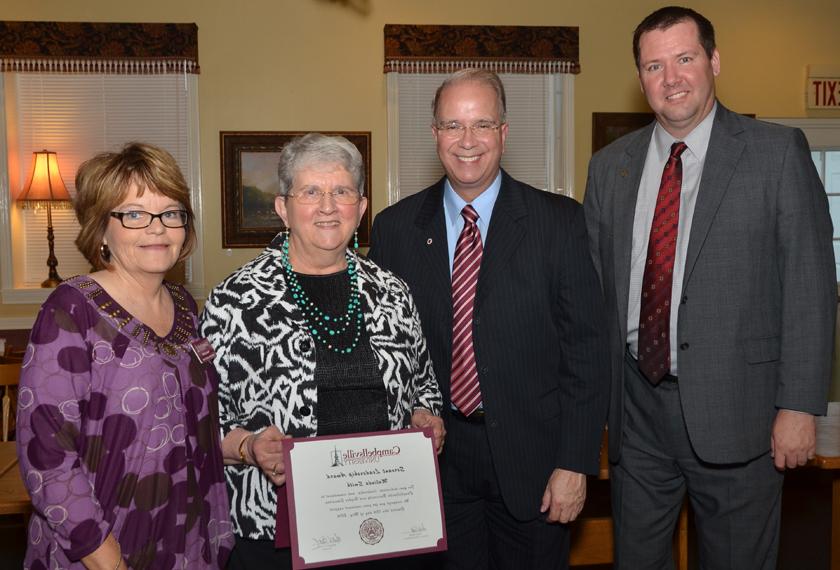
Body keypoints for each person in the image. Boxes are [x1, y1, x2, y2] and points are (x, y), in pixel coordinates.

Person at [583, 6, 836, 569]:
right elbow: (595, 292)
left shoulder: (775, 153)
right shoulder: (609, 168)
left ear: (714, 61)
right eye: (653, 66)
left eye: (684, 59)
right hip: (635, 416)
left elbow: (811, 288)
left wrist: (798, 406)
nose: (670, 78)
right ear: (640, 78)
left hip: (740, 416)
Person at [368, 69, 610, 569]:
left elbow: (587, 353)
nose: (467, 140)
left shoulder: (560, 222)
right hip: (435, 464)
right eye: (452, 125)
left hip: (535, 464)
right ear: (434, 134)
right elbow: (385, 352)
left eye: (482, 124)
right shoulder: (394, 230)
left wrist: (575, 463)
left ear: (504, 131)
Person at [199, 133, 444, 568]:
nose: (327, 206)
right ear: (283, 208)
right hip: (277, 532)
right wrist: (250, 446)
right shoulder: (235, 300)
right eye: (310, 191)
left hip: (387, 527)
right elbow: (202, 422)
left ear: (362, 208)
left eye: (342, 191)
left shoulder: (392, 292)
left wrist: (426, 417)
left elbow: (424, 386)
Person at [16, 142, 234, 569]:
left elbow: (191, 428)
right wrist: (106, 557)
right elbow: (48, 457)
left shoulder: (185, 307)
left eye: (171, 212)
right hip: (102, 549)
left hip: (187, 542)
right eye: (134, 214)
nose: (158, 228)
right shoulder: (72, 310)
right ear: (101, 229)